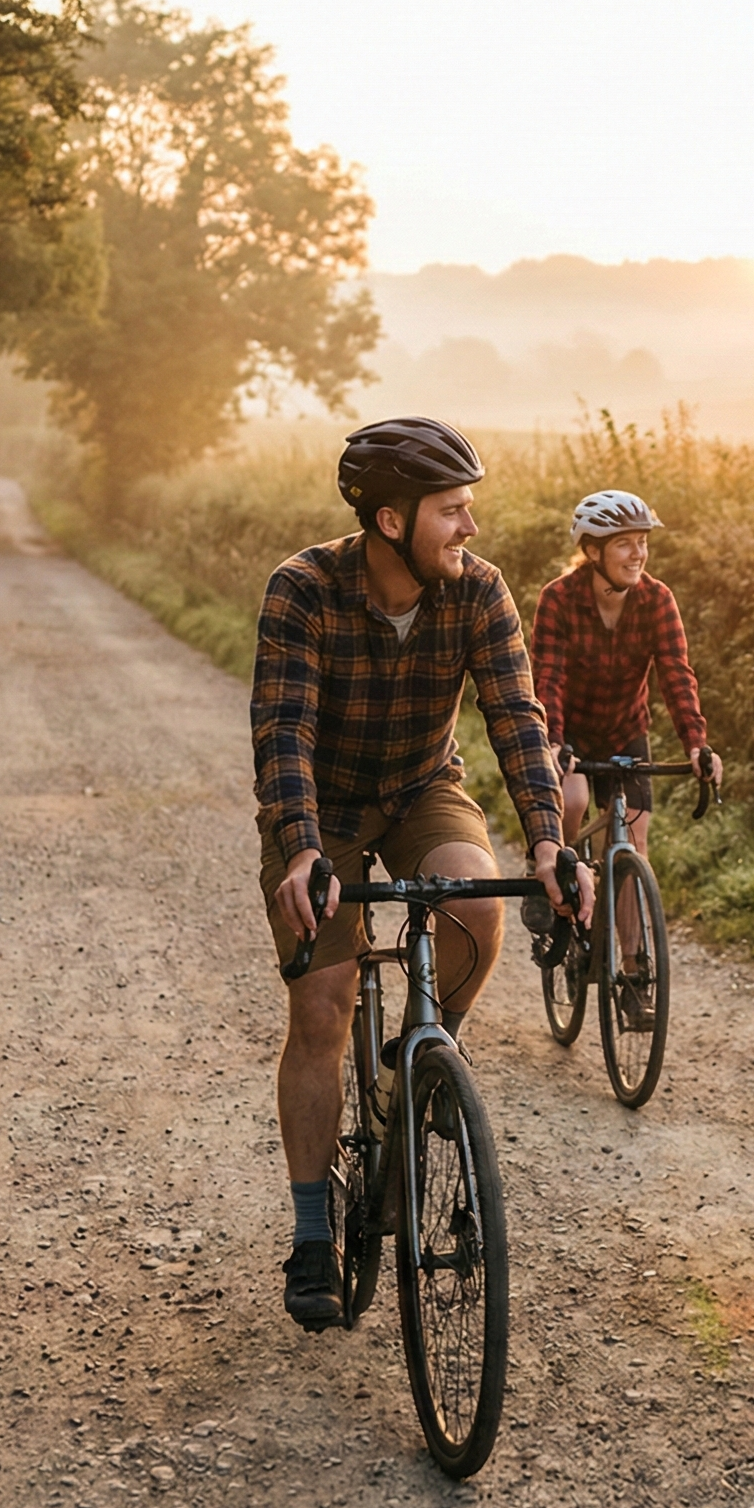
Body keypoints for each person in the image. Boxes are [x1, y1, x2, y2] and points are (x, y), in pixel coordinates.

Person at [251, 415, 589, 1332]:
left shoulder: (479, 593)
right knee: (321, 1007)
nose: (470, 528)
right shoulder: (303, 590)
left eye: (469, 508)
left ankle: (417, 1062)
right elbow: (282, 732)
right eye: (452, 510)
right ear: (392, 521)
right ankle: (315, 1232)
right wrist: (304, 849)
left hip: (421, 788)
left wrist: (550, 841)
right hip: (320, 809)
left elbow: (517, 719)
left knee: (478, 910)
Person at [529, 489, 723, 1027]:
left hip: (626, 733)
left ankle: (634, 975)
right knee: (572, 797)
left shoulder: (656, 599)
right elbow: (549, 676)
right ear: (592, 551)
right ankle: (553, 876)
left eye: (643, 544)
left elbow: (675, 674)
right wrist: (554, 740)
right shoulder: (559, 599)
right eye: (625, 545)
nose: (638, 554)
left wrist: (696, 744)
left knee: (634, 842)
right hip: (569, 735)